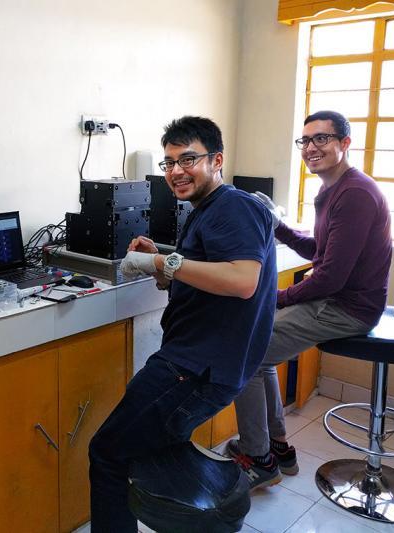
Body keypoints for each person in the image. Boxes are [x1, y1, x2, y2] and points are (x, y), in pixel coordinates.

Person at [88, 116, 277, 532]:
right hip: (202, 363)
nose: (175, 171)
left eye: (187, 159)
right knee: (158, 445)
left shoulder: (234, 206)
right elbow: (206, 272)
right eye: (168, 163)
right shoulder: (205, 211)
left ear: (217, 160)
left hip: (193, 370)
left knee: (107, 452)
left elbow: (243, 281)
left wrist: (160, 261)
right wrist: (164, 260)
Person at [226, 110, 392, 490]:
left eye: (322, 139)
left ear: (344, 143)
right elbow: (320, 249)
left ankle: (258, 457)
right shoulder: (334, 188)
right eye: (306, 140)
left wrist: (275, 298)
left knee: (245, 354)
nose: (311, 148)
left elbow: (330, 277)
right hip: (337, 299)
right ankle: (277, 447)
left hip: (347, 308)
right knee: (261, 350)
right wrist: (275, 224)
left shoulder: (355, 195)